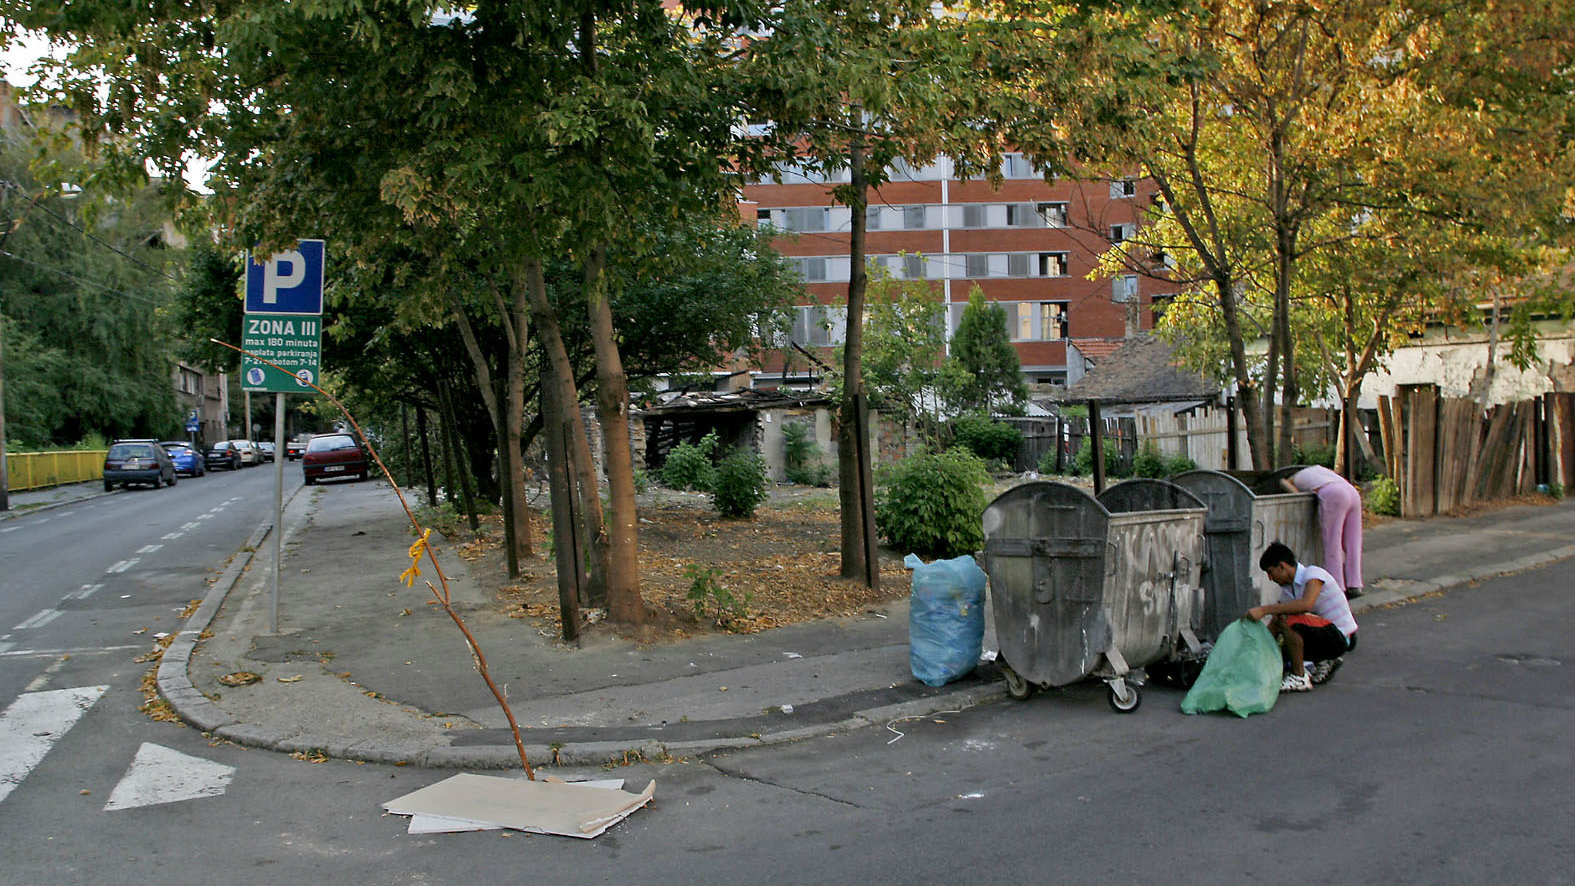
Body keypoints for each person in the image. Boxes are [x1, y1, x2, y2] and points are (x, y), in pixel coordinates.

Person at [1247, 541, 1359, 692]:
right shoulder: (1288, 590)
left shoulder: (1313, 574)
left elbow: (1306, 604)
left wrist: (1263, 610)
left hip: (1341, 636)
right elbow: (1275, 622)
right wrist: (1257, 650)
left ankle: (1299, 677)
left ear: (1282, 566)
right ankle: (1323, 660)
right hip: (1323, 634)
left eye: (1271, 572)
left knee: (1287, 620)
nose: (1270, 578)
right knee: (1281, 637)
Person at [1281, 464, 1365, 598]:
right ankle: (1355, 584)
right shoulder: (1318, 469)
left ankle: (1336, 586)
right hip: (1351, 492)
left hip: (1332, 494)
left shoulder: (1292, 479)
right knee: (1353, 542)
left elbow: (1296, 495)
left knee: (1332, 542)